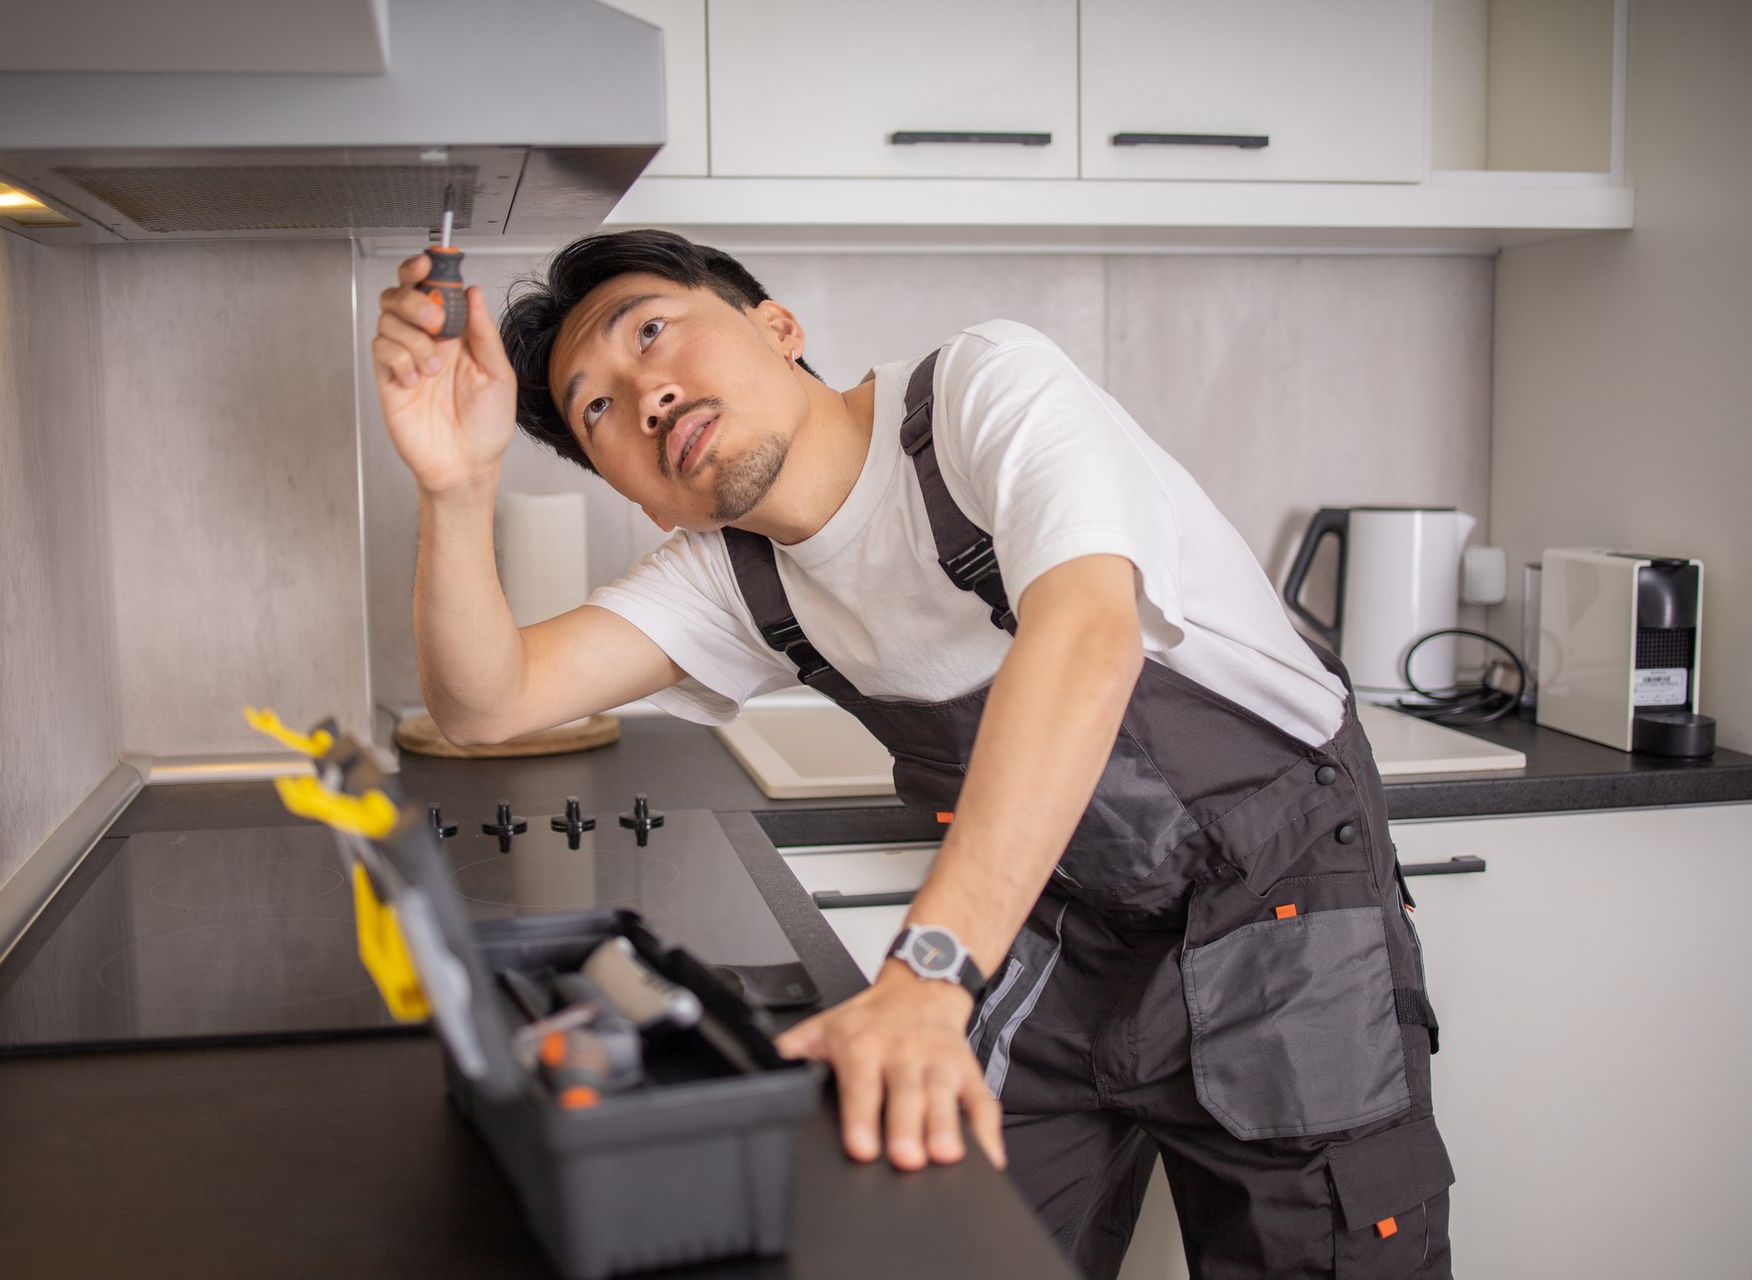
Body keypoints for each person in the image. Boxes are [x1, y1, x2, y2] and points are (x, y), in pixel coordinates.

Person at [371, 229, 1454, 1277]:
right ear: (631, 486)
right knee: (956, 1241)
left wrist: (929, 968)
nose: (641, 395)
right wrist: (457, 485)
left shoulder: (984, 388)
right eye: (594, 405)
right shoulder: (729, 575)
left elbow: (1086, 632)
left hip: (1278, 909)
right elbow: (488, 702)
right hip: (1055, 929)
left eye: (649, 330)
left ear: (779, 326)